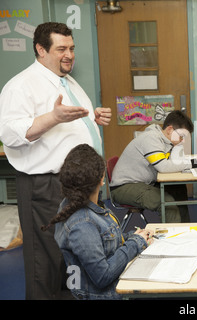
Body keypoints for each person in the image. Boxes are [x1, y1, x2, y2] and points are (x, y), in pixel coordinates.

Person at [0, 22, 111, 299]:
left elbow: (66, 127)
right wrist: (54, 118)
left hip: (75, 186)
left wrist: (92, 121)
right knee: (45, 265)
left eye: (71, 48)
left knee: (69, 261)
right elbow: (11, 134)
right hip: (45, 187)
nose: (69, 54)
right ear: (40, 49)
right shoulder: (21, 85)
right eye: (61, 48)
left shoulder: (66, 82)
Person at [42, 144, 152, 300]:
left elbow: (103, 243)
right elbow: (102, 276)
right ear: (102, 179)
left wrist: (131, 236)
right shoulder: (83, 223)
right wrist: (135, 244)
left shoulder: (73, 205)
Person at [110, 110, 197, 223]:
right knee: (167, 202)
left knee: (178, 189)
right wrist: (194, 163)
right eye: (181, 136)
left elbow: (172, 162)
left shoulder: (166, 141)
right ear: (170, 129)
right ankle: (173, 238)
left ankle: (184, 229)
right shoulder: (151, 139)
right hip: (124, 187)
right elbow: (163, 167)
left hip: (142, 182)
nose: (182, 141)